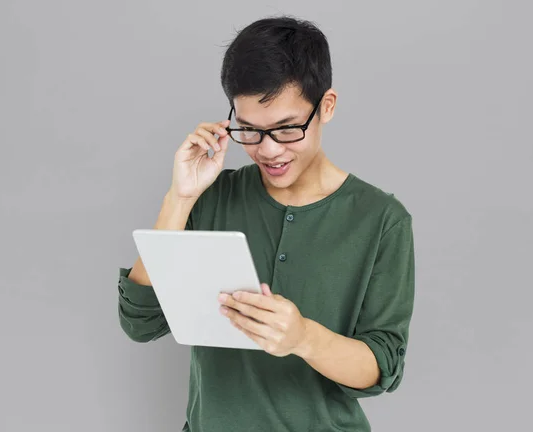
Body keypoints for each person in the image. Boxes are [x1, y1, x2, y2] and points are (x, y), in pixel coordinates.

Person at [118, 15, 415, 432]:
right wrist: (180, 198)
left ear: (326, 107)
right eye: (250, 131)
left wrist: (304, 338)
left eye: (287, 129)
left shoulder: (382, 220)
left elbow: (382, 368)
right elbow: (140, 322)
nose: (268, 150)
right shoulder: (211, 198)